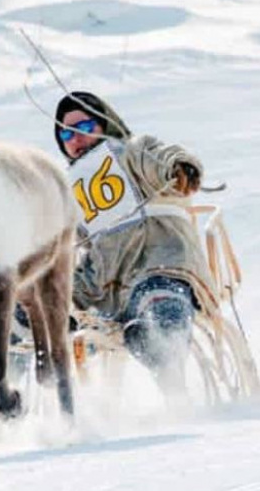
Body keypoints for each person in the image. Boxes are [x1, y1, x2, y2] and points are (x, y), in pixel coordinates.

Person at [53, 90, 211, 399]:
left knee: (158, 296)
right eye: (65, 133)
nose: (75, 138)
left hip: (159, 259)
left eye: (83, 127)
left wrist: (177, 168)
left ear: (103, 124)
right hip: (104, 285)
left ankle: (163, 354)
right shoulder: (69, 185)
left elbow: (161, 157)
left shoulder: (131, 152)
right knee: (40, 300)